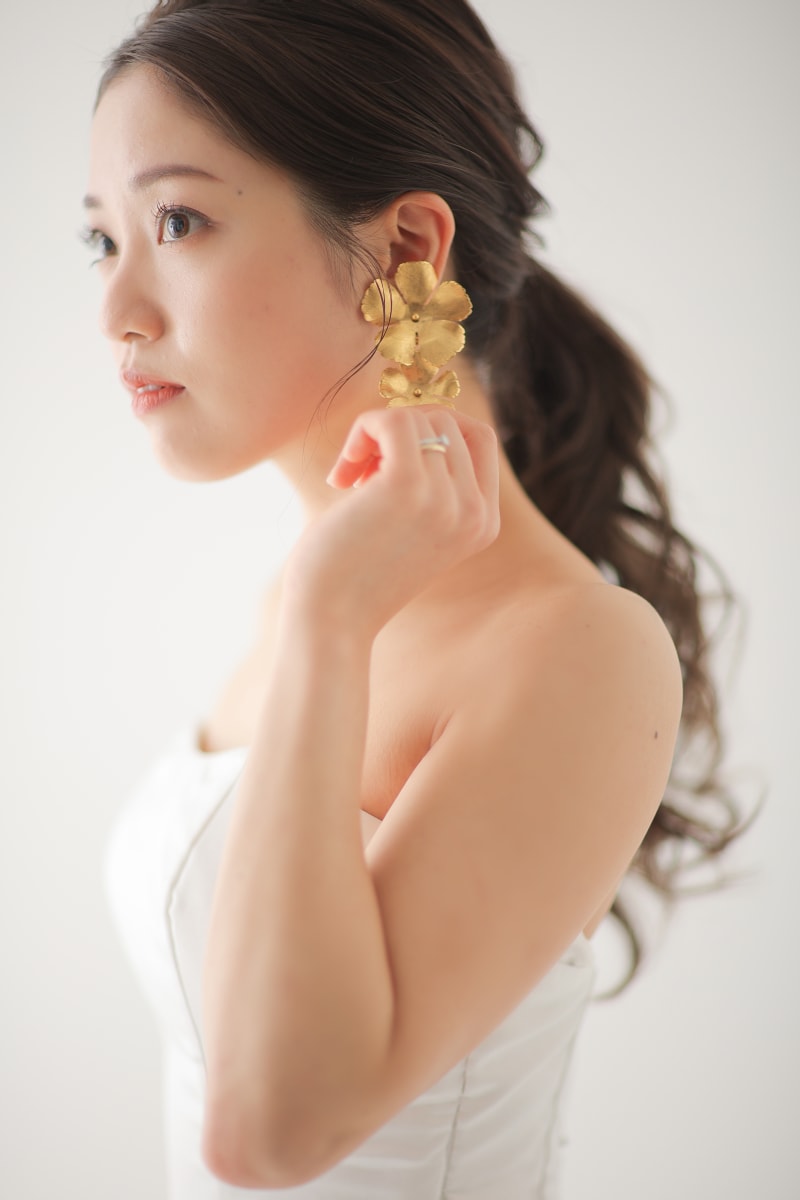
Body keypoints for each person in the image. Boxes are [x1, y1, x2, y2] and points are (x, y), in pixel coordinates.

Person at [85, 1, 738, 1196]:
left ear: (403, 253)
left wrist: (331, 623)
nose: (116, 312)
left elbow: (266, 1136)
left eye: (176, 221)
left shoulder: (573, 649)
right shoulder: (305, 593)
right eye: (101, 238)